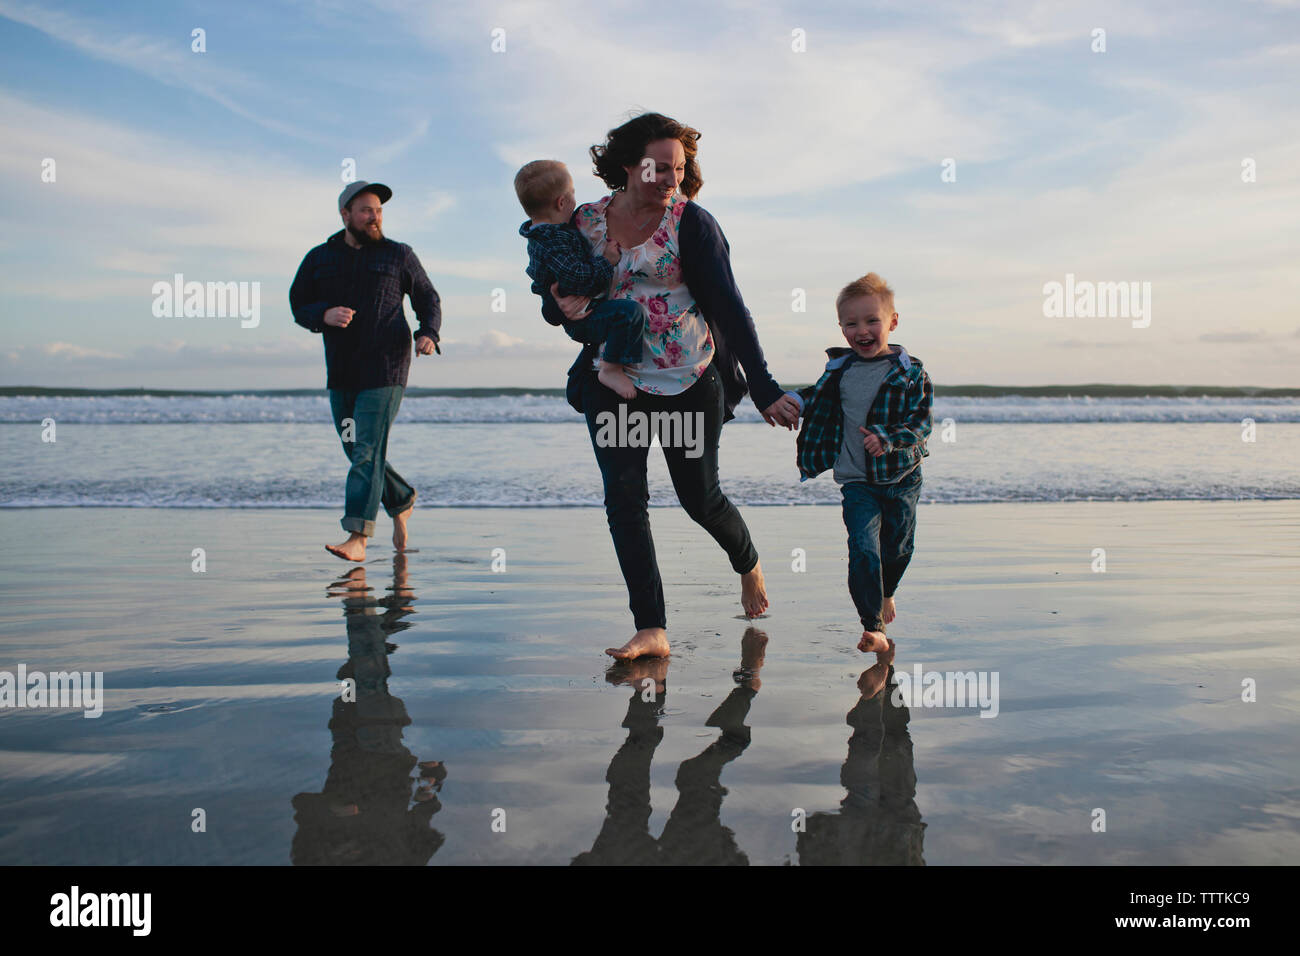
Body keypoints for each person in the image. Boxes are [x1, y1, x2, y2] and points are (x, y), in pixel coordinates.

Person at [542, 112, 802, 660]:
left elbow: (729, 307)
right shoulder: (584, 222)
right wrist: (558, 307)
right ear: (629, 165)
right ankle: (651, 627)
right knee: (624, 501)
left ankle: (748, 561)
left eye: (678, 169)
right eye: (658, 167)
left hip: (689, 379)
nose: (669, 179)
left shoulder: (692, 223)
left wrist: (764, 386)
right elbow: (557, 296)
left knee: (699, 500)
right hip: (613, 380)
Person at [290, 181, 441, 562]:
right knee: (354, 447)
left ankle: (357, 536)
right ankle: (402, 497)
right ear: (345, 215)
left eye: (378, 211)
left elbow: (427, 297)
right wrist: (322, 315)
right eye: (366, 211)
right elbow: (298, 303)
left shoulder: (398, 255)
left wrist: (428, 334)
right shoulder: (319, 258)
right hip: (342, 369)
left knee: (367, 450)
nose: (374, 217)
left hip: (386, 367)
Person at [794, 272, 933, 654]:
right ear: (841, 328)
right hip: (857, 481)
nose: (862, 330)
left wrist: (887, 439)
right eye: (851, 323)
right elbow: (816, 397)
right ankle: (873, 626)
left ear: (892, 322)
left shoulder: (910, 372)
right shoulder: (839, 369)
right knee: (863, 549)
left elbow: (922, 422)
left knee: (899, 548)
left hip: (902, 476)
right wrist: (793, 401)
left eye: (872, 320)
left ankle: (887, 592)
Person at [515, 159, 648, 400]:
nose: (576, 201)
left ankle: (591, 370)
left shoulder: (548, 234)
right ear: (562, 202)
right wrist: (607, 261)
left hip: (580, 313)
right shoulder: (553, 240)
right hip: (581, 318)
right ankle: (610, 369)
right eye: (573, 194)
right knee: (629, 314)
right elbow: (578, 278)